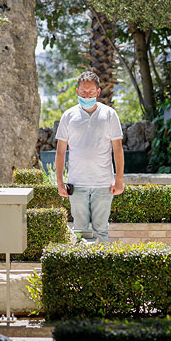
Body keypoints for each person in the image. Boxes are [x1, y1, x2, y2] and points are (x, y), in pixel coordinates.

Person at [55, 71, 125, 243]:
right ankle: (81, 269)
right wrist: (59, 182)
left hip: (103, 184)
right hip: (77, 184)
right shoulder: (68, 116)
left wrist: (119, 180)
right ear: (77, 92)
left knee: (101, 232)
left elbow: (117, 149)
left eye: (91, 91)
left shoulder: (109, 115)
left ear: (98, 92)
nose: (87, 95)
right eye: (84, 91)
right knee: (80, 233)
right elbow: (60, 152)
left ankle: (102, 269)